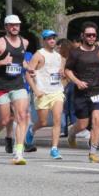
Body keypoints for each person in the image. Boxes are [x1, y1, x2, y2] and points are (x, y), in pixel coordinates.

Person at [0, 14, 31, 161]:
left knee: (21, 116)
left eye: (17, 25)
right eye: (11, 25)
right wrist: (2, 62)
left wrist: (28, 68)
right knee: (5, 120)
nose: (14, 27)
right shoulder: (0, 43)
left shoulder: (25, 42)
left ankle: (18, 152)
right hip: (2, 85)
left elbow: (21, 61)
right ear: (6, 27)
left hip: (18, 84)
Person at [65, 22, 99, 163]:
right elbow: (67, 70)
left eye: (94, 35)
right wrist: (77, 81)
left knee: (97, 120)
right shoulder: (75, 53)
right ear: (82, 35)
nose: (91, 37)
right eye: (88, 35)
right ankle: (72, 133)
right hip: (81, 92)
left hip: (98, 91)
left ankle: (93, 152)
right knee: (83, 124)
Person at [27, 30, 66, 160]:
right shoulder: (38, 55)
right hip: (42, 92)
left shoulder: (59, 56)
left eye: (53, 38)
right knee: (43, 122)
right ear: (44, 40)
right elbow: (28, 74)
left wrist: (63, 75)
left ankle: (54, 149)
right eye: (49, 38)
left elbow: (62, 75)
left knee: (57, 119)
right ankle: (32, 130)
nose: (52, 41)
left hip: (56, 92)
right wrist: (35, 90)